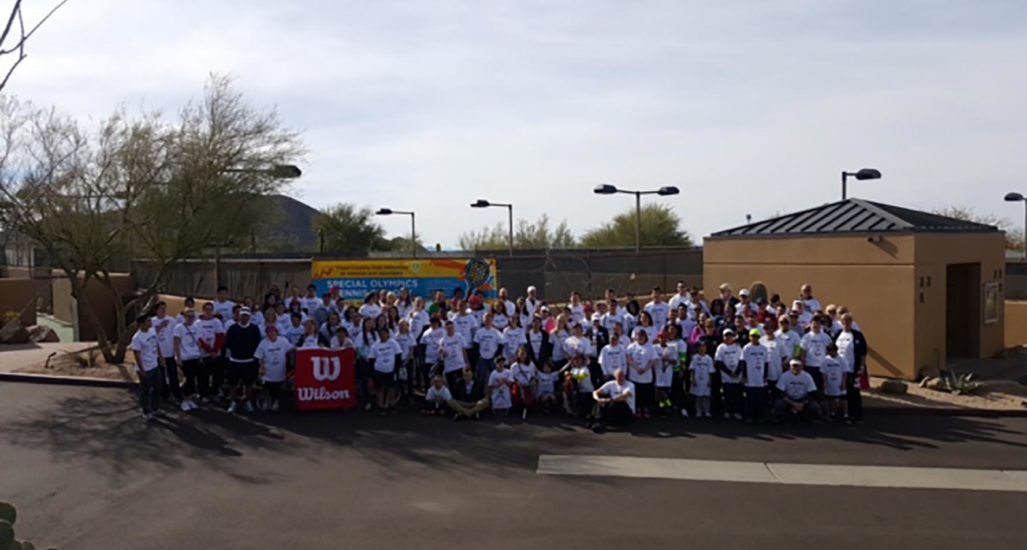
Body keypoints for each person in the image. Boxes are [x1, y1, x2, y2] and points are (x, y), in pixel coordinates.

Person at [224, 307, 262, 414]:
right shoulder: (232, 328)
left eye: (246, 315)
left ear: (249, 316)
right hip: (234, 360)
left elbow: (256, 343)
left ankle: (248, 402)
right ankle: (233, 402)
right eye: (242, 315)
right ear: (238, 316)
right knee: (233, 384)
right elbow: (228, 343)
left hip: (249, 361)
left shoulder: (254, 329)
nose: (244, 317)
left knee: (249, 384)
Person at [131, 314, 165, 421]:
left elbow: (157, 344)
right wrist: (141, 369)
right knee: (146, 390)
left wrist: (161, 357)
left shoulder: (152, 331)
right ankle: (146, 410)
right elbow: (137, 354)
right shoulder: (137, 338)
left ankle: (155, 408)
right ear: (141, 323)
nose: (150, 322)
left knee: (158, 387)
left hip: (155, 365)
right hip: (146, 368)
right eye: (148, 321)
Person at [835, 312, 867, 423]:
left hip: (853, 369)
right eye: (844, 321)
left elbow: (863, 353)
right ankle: (845, 414)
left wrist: (862, 367)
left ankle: (856, 415)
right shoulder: (838, 334)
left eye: (849, 321)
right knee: (844, 393)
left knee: (854, 392)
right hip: (840, 370)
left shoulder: (857, 335)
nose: (846, 323)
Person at [254, 324, 294, 412]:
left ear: (276, 332)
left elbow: (291, 349)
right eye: (269, 332)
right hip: (268, 370)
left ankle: (275, 400)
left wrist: (290, 361)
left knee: (278, 387)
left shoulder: (283, 341)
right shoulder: (263, 343)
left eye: (273, 332)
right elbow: (259, 357)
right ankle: (266, 400)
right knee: (267, 386)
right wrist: (261, 368)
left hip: (280, 369)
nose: (271, 334)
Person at [151, 302, 182, 406]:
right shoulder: (152, 321)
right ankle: (164, 395)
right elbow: (150, 334)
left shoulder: (171, 320)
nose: (163, 310)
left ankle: (177, 395)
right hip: (158, 354)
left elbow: (176, 335)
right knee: (161, 376)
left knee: (173, 375)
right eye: (161, 308)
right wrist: (159, 327)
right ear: (156, 310)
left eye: (164, 308)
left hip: (169, 353)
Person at [195, 302, 226, 402]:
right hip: (203, 354)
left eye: (210, 309)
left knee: (216, 375)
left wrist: (215, 350)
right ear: (203, 310)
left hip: (216, 354)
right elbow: (198, 339)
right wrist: (208, 350)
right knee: (203, 376)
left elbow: (221, 336)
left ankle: (215, 393)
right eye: (207, 309)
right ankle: (204, 394)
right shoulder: (198, 323)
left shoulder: (216, 322)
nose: (208, 312)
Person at [173, 307, 203, 411]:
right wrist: (178, 357)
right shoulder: (179, 328)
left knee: (193, 379)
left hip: (195, 356)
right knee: (188, 378)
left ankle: (190, 399)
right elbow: (176, 343)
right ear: (184, 317)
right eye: (188, 316)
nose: (191, 318)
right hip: (185, 357)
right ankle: (184, 400)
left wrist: (200, 354)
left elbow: (198, 342)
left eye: (192, 316)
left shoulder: (196, 327)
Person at [369, 328, 403, 414]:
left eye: (385, 334)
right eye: (381, 334)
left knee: (391, 388)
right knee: (380, 389)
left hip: (391, 370)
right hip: (379, 370)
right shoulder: (375, 346)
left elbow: (398, 356)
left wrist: (396, 370)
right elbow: (371, 360)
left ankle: (390, 405)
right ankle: (381, 407)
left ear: (388, 334)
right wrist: (371, 374)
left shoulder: (393, 343)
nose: (383, 335)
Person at [592, 368, 635, 432]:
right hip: (613, 408)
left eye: (622, 376)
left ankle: (604, 421)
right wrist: (598, 399)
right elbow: (595, 392)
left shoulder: (630, 385)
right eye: (619, 377)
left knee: (617, 402)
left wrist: (607, 400)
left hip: (627, 410)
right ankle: (598, 420)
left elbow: (623, 397)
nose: (620, 378)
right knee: (601, 400)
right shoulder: (611, 384)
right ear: (615, 377)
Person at [626, 330, 656, 419]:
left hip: (646, 375)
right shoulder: (631, 346)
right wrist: (637, 368)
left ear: (645, 337)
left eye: (642, 336)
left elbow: (652, 360)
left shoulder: (650, 347)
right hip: (634, 374)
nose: (640, 337)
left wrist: (645, 369)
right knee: (636, 393)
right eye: (638, 336)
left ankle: (645, 410)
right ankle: (637, 410)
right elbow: (629, 359)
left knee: (646, 393)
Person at [741, 329, 769, 423]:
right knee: (749, 398)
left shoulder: (764, 349)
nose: (754, 338)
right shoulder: (746, 348)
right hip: (750, 377)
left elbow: (766, 363)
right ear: (749, 337)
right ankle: (749, 416)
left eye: (756, 336)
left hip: (760, 377)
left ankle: (759, 416)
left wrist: (765, 375)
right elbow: (743, 362)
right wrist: (744, 376)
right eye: (752, 336)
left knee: (759, 398)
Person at [715, 328, 743, 420]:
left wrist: (737, 372)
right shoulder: (721, 347)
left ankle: (736, 411)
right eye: (726, 336)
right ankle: (727, 411)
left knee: (737, 394)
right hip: (726, 376)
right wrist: (729, 372)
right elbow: (718, 362)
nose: (728, 338)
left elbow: (741, 360)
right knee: (727, 394)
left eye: (730, 336)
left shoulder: (737, 347)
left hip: (737, 375)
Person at [800, 317, 832, 392]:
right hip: (810, 365)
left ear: (820, 325)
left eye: (817, 324)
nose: (815, 325)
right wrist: (803, 365)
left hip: (822, 366)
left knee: (821, 386)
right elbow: (803, 351)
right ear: (810, 325)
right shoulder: (806, 337)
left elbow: (829, 351)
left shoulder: (826, 337)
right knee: (810, 386)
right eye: (813, 323)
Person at [439, 320, 470, 388]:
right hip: (449, 367)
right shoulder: (443, 340)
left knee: (461, 384)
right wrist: (442, 352)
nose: (450, 330)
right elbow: (441, 353)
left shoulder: (459, 337)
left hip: (460, 364)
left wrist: (467, 362)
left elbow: (463, 350)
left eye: (452, 328)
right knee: (452, 385)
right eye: (448, 328)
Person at [473, 313, 503, 384]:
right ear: (484, 320)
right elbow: (475, 345)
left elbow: (501, 344)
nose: (488, 321)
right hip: (482, 358)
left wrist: (496, 355)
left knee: (495, 377)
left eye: (490, 319)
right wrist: (478, 356)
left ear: (492, 321)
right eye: (486, 319)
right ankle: (480, 393)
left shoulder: (496, 332)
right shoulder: (479, 332)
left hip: (493, 358)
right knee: (480, 377)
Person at [821, 343, 848, 422]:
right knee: (831, 398)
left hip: (839, 381)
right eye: (830, 351)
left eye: (833, 351)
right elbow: (824, 372)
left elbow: (844, 372)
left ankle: (845, 414)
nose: (832, 353)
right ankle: (832, 413)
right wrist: (825, 382)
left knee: (843, 398)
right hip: (830, 381)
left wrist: (843, 382)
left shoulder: (842, 359)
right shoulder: (825, 360)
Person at [510, 346, 538, 419]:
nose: (522, 355)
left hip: (528, 384)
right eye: (521, 354)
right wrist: (517, 382)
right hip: (519, 384)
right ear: (518, 354)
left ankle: (530, 408)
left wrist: (532, 381)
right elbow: (511, 377)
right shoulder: (514, 366)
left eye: (524, 354)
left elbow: (533, 375)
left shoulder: (531, 364)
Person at [654, 331, 678, 417]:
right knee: (659, 392)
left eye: (664, 338)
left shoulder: (672, 348)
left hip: (667, 373)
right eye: (661, 338)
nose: (662, 340)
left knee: (665, 392)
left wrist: (667, 359)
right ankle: (663, 408)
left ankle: (669, 406)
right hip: (658, 372)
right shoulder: (655, 348)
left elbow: (675, 361)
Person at [689, 341, 715, 418]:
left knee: (706, 396)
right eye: (700, 347)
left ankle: (706, 411)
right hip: (697, 379)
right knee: (698, 396)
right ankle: (698, 411)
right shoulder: (695, 357)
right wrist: (692, 378)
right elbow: (692, 369)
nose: (702, 348)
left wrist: (710, 380)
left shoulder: (708, 358)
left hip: (706, 379)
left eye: (704, 347)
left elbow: (711, 370)